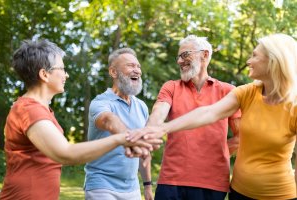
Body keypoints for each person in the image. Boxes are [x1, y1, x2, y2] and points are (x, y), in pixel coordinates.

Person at [130, 33, 297, 199]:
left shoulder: (291, 106)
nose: (248, 61)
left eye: (254, 56)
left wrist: (216, 153)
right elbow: (207, 112)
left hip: (270, 192)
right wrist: (156, 130)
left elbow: (237, 136)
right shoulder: (246, 92)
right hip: (235, 192)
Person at [0, 40, 160, 200]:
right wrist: (122, 138)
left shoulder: (39, 110)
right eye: (62, 69)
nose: (66, 74)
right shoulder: (29, 110)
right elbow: (65, 153)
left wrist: (146, 184)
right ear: (44, 74)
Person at [133, 35, 241, 200]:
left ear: (204, 55)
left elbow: (241, 136)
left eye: (185, 55)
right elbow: (158, 113)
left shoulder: (228, 91)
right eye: (178, 57)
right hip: (171, 181)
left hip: (212, 182)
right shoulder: (172, 87)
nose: (179, 61)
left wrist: (221, 152)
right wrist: (148, 133)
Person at [83, 48, 153, 200]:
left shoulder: (142, 107)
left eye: (138, 66)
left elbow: (144, 151)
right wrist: (131, 140)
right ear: (113, 72)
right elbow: (109, 120)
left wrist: (147, 186)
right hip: (101, 185)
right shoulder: (101, 102)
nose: (137, 70)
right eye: (130, 66)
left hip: (132, 188)